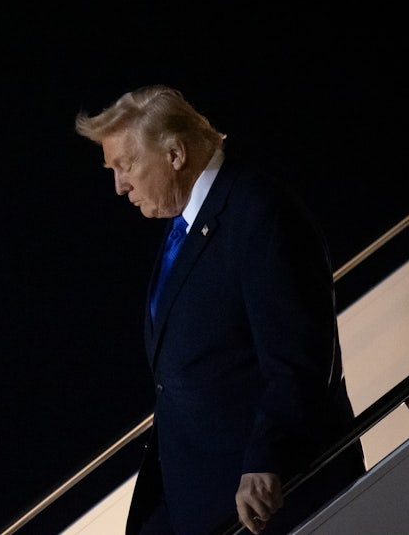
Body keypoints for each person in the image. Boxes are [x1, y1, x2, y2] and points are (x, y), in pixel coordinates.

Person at [74, 85, 365, 534]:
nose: (119, 186)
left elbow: (298, 359)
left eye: (125, 165)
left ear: (174, 154)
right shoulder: (186, 228)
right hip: (198, 503)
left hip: (269, 505)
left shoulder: (258, 211)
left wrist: (268, 459)